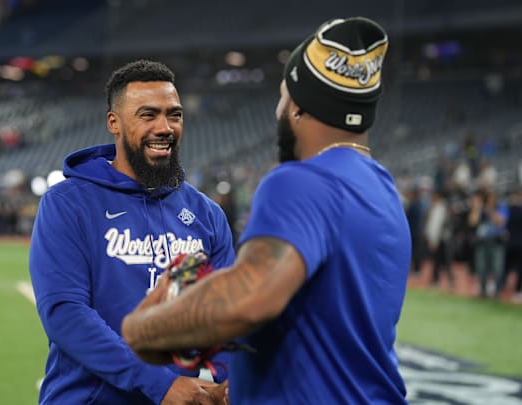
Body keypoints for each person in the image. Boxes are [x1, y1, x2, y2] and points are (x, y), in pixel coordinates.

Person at [122, 17, 410, 404]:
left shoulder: (297, 181)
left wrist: (143, 328)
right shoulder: (383, 190)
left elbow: (249, 298)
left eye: (281, 96)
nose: (278, 109)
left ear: (298, 106)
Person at [28, 60, 235, 405]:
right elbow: (65, 314)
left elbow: (228, 316)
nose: (165, 126)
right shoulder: (68, 203)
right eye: (148, 114)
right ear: (115, 123)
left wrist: (229, 383)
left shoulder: (207, 215)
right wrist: (160, 384)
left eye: (175, 114)